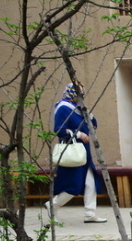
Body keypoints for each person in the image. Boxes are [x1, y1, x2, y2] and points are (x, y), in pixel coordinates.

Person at [46, 82, 107, 223]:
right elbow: (59, 130)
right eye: (79, 92)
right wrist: (78, 134)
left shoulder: (78, 108)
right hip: (72, 151)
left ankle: (90, 214)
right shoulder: (63, 108)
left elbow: (93, 123)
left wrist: (87, 113)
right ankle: (52, 205)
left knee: (91, 182)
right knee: (73, 185)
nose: (82, 95)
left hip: (83, 152)